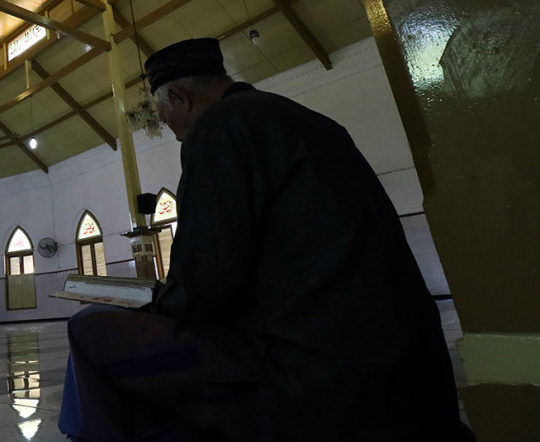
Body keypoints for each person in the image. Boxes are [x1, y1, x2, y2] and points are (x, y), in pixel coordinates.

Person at [58, 38, 474, 442]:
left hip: (311, 369)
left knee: (90, 328)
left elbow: (205, 285)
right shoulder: (312, 122)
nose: (167, 125)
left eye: (164, 114)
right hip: (407, 367)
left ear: (181, 98)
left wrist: (155, 301)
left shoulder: (217, 127)